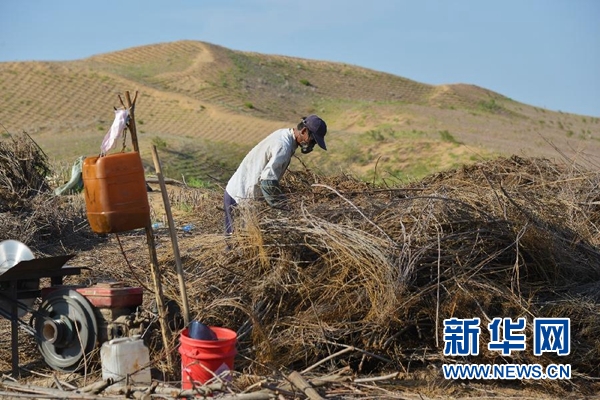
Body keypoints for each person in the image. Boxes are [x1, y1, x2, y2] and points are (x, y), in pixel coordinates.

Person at [224, 114, 328, 234]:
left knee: (240, 241)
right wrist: (285, 209)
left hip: (240, 191)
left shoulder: (284, 134)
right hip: (239, 198)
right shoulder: (284, 147)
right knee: (238, 242)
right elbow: (268, 182)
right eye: (313, 140)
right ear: (304, 131)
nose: (312, 145)